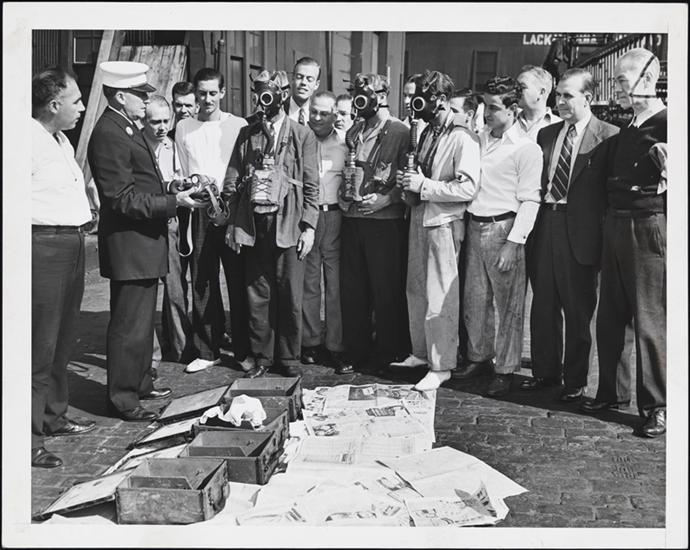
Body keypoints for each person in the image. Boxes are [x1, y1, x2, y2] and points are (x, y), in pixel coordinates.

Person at [88, 61, 203, 421]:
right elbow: (120, 198)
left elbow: (139, 181)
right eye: (140, 94)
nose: (146, 100)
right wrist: (173, 202)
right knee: (128, 326)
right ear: (120, 96)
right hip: (131, 246)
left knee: (140, 325)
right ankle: (122, 398)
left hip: (141, 244)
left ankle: (139, 382)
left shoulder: (125, 127)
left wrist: (170, 186)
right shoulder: (110, 133)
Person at [581, 49, 667, 438]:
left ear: (646, 80)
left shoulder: (670, 124)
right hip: (615, 225)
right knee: (611, 316)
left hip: (646, 227)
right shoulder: (629, 126)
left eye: (620, 80)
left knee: (649, 320)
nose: (613, 87)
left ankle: (658, 407)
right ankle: (611, 392)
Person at [521, 69, 619, 402]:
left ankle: (575, 380)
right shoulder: (547, 134)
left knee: (579, 310)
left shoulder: (609, 137)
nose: (560, 101)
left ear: (588, 98)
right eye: (558, 95)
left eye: (568, 96)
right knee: (543, 304)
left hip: (582, 233)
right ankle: (544, 372)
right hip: (545, 225)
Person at [224, 70, 319, 379]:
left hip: (289, 223)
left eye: (269, 94)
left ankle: (289, 356)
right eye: (259, 95)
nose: (264, 101)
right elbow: (232, 180)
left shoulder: (302, 135)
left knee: (290, 293)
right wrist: (233, 224)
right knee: (258, 293)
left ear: (283, 95)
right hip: (254, 225)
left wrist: (309, 226)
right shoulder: (247, 134)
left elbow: (312, 185)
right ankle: (262, 355)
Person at [454, 76, 542, 398]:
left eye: (493, 108)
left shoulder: (526, 149)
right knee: (475, 301)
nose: (487, 113)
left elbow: (531, 200)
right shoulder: (477, 140)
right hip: (474, 226)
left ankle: (505, 369)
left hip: (504, 229)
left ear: (513, 109)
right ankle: (478, 358)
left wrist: (513, 243)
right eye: (485, 107)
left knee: (508, 307)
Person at [393, 71, 481, 391]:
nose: (416, 105)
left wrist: (425, 186)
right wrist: (409, 182)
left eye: (421, 99)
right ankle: (421, 353)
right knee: (416, 290)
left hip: (443, 222)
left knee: (440, 296)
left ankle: (442, 365)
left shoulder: (462, 137)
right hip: (420, 216)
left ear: (441, 99)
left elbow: (468, 188)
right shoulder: (427, 131)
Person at [31, 67, 97, 468]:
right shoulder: (25, 140)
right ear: (54, 105)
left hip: (72, 242)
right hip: (44, 247)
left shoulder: (61, 140)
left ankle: (53, 416)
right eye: (76, 101)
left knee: (62, 338)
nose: (82, 107)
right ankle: (27, 440)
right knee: (38, 345)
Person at [175, 68, 252, 374]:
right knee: (202, 280)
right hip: (199, 211)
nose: (207, 99)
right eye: (201, 93)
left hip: (231, 211)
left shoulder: (238, 125)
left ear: (222, 92)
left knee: (237, 280)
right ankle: (208, 350)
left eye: (212, 93)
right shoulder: (183, 127)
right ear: (195, 93)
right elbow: (183, 170)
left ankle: (244, 351)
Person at [339, 73, 410, 374]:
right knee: (353, 290)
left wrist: (387, 199)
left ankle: (387, 352)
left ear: (382, 96)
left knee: (385, 290)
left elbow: (409, 177)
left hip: (384, 222)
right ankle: (356, 350)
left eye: (365, 93)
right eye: (356, 92)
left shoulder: (400, 131)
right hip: (354, 219)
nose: (360, 98)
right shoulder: (355, 130)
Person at [301, 91, 352, 374]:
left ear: (335, 115)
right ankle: (310, 342)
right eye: (314, 112)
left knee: (335, 284)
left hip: (334, 216)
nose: (318, 118)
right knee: (309, 283)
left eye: (324, 113)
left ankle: (336, 345)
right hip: (307, 218)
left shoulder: (344, 144)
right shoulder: (300, 139)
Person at [142, 96, 194, 364]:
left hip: (170, 222)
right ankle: (150, 354)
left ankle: (181, 347)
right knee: (145, 293)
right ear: (144, 120)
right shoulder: (136, 146)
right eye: (155, 122)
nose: (162, 127)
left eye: (165, 121)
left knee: (175, 287)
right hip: (144, 225)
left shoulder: (171, 146)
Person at [515, 65, 561, 141]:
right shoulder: (509, 121)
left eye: (522, 87)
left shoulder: (559, 126)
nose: (516, 91)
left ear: (541, 92)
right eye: (516, 87)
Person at [287, 57, 321, 126]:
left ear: (316, 84)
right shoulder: (278, 111)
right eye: (299, 77)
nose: (303, 82)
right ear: (292, 79)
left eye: (309, 79)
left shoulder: (319, 115)